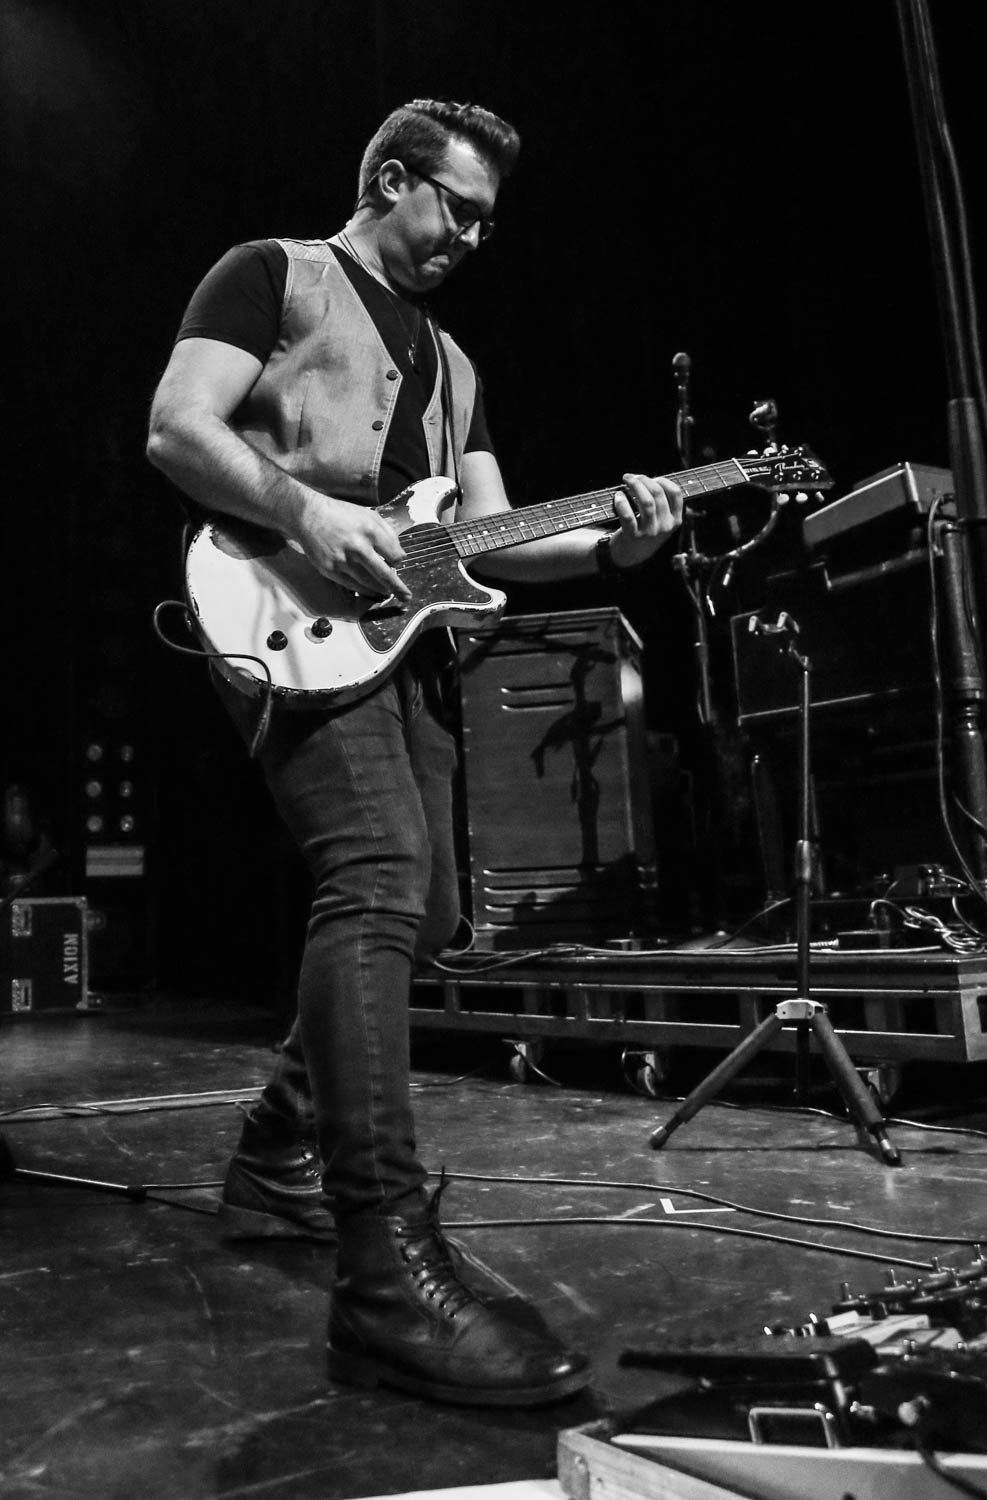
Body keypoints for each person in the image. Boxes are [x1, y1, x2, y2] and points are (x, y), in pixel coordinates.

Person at [147, 98, 683, 1408]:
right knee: (381, 874)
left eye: (490, 223)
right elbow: (176, 428)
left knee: (430, 909)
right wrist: (310, 515)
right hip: (283, 611)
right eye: (460, 209)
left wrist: (618, 540)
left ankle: (276, 1154)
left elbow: (493, 539)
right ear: (392, 179)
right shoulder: (271, 273)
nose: (473, 239)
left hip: (407, 647)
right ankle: (384, 1264)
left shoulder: (455, 365)